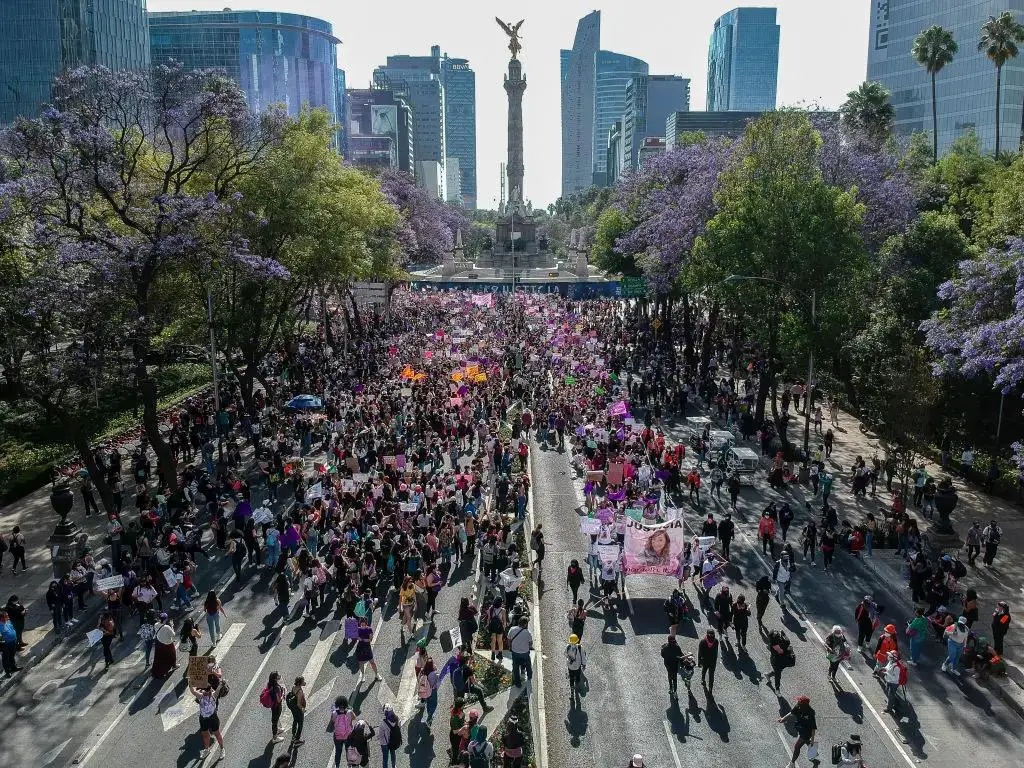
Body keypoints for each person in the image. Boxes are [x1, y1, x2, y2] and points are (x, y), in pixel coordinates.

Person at [777, 695, 817, 768]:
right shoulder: (798, 706)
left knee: (797, 747)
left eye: (799, 701)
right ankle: (813, 751)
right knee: (807, 741)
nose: (797, 702)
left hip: (806, 732)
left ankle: (792, 764)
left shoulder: (810, 713)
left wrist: (812, 739)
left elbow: (813, 728)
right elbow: (791, 712)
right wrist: (783, 719)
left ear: (804, 705)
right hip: (800, 728)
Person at [191, 679, 225, 759]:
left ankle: (222, 749)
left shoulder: (214, 695)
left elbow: (219, 687)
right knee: (205, 735)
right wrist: (190, 682)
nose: (202, 691)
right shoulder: (200, 696)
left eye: (204, 690)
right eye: (203, 690)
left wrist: (221, 683)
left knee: (217, 734)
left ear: (208, 690)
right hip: (203, 719)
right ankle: (207, 749)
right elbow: (192, 691)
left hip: (212, 718)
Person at [261, 671, 286, 743]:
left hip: (273, 705)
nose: (280, 676)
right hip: (277, 706)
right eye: (278, 675)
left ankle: (277, 730)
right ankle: (275, 738)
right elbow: (278, 700)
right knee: (275, 721)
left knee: (275, 719)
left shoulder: (270, 684)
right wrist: (283, 694)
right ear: (275, 678)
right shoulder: (277, 687)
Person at [330, 696, 356, 768]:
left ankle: (337, 765)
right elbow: (354, 718)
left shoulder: (334, 713)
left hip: (338, 736)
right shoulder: (349, 712)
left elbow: (332, 721)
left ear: (337, 704)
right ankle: (349, 765)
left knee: (338, 752)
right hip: (348, 735)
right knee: (349, 751)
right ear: (346, 704)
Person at [508, 616, 533, 688]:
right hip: (525, 652)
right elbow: (530, 644)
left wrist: (511, 647)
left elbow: (509, 639)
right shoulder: (528, 632)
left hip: (515, 652)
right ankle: (529, 675)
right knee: (528, 664)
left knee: (515, 667)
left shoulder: (512, 629)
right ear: (525, 624)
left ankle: (518, 683)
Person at [152, 613, 177, 678]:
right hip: (168, 643)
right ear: (165, 619)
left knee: (160, 657)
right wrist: (172, 626)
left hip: (159, 642)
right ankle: (174, 665)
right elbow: (173, 634)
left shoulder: (156, 624)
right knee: (172, 654)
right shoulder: (167, 627)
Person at [378, 704, 402, 768]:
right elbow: (399, 728)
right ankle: (394, 766)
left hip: (385, 744)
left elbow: (381, 736)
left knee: (385, 758)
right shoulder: (397, 719)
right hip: (394, 741)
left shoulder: (383, 724)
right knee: (393, 754)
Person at [697, 628, 719, 695]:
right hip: (712, 661)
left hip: (705, 660)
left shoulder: (703, 641)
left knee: (704, 670)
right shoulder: (716, 641)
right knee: (711, 676)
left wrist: (699, 662)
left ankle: (703, 679)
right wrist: (715, 661)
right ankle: (710, 689)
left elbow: (700, 653)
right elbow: (716, 652)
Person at [661, 634, 683, 699]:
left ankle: (671, 688)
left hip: (668, 665)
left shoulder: (665, 647)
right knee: (675, 678)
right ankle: (675, 691)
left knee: (670, 677)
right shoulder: (677, 647)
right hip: (675, 665)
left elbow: (662, 655)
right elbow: (680, 655)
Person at [565, 633, 586, 701]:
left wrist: (569, 658)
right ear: (577, 641)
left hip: (570, 667)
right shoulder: (580, 648)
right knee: (577, 677)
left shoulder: (568, 647)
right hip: (577, 667)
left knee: (571, 679)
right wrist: (584, 664)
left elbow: (565, 653)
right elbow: (583, 657)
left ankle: (572, 693)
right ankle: (576, 688)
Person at [287, 676, 307, 745]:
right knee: (300, 723)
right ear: (300, 683)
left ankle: (293, 736)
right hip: (297, 709)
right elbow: (299, 704)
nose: (304, 682)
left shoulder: (294, 687)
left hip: (293, 708)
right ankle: (297, 740)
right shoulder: (300, 692)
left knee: (295, 720)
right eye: (303, 681)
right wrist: (303, 709)